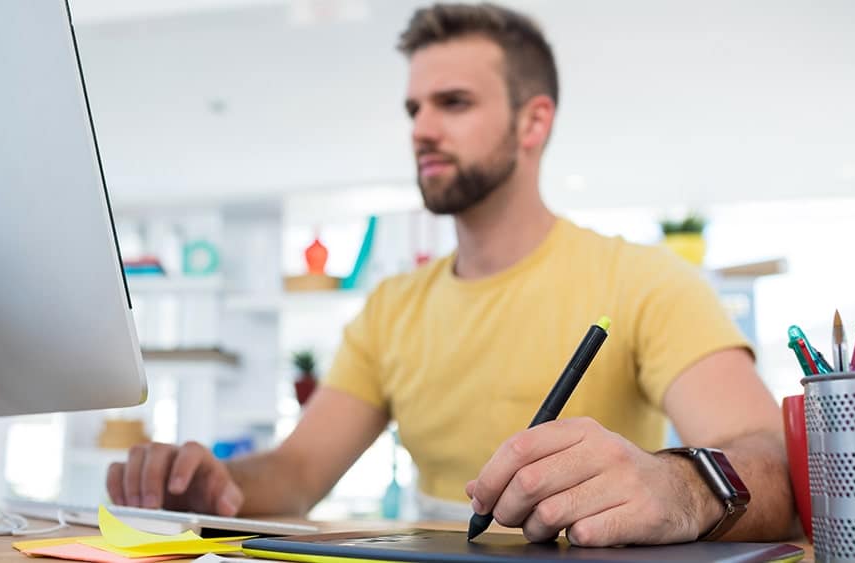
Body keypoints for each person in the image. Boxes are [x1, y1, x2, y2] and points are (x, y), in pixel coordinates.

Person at [107, 2, 797, 546]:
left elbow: (771, 456)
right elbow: (294, 474)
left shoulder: (644, 281)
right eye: (414, 108)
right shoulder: (391, 307)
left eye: (453, 103)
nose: (421, 128)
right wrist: (211, 482)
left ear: (534, 123)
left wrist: (677, 485)